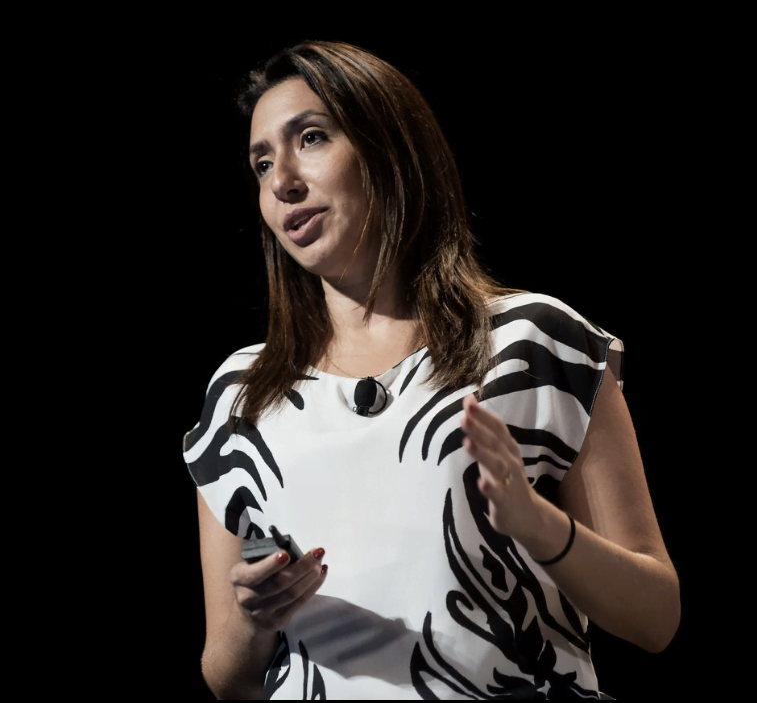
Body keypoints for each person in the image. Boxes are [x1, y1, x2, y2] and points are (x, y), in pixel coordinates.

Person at [181, 40, 679, 700]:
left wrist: (536, 523)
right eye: (261, 162)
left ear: (391, 150)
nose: (281, 182)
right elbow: (226, 676)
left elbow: (654, 618)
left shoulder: (534, 342)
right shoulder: (241, 397)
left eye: (311, 138)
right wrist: (255, 617)